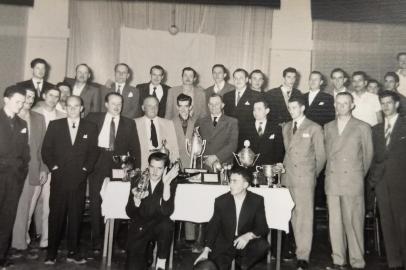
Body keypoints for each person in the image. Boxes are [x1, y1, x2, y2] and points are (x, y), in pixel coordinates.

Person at [41, 95, 99, 265]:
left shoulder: (90, 127)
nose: (73, 109)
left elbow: (94, 152)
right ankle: (51, 253)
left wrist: (85, 170)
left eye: (76, 106)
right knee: (56, 216)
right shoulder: (55, 126)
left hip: (79, 179)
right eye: (70, 106)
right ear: (65, 108)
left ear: (82, 108)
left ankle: (72, 252)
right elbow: (46, 150)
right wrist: (54, 167)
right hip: (59, 178)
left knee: (75, 216)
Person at [86, 92, 141, 253]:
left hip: (119, 167)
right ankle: (96, 239)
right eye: (113, 103)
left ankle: (112, 239)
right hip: (97, 163)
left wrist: (134, 169)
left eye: (119, 104)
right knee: (96, 202)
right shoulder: (92, 118)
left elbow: (135, 149)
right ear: (106, 104)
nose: (117, 107)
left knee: (117, 202)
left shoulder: (129, 123)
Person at [324, 92, 373, 270]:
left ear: (352, 105)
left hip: (352, 181)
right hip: (333, 181)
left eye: (345, 103)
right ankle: (338, 260)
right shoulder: (328, 127)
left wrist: (356, 175)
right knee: (335, 224)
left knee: (353, 223)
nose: (341, 106)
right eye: (338, 103)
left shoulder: (363, 127)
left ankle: (357, 261)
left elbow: (368, 157)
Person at [281, 96, 326, 270]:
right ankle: (296, 249)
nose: (291, 110)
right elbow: (287, 153)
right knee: (292, 216)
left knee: (305, 218)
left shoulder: (314, 128)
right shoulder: (285, 127)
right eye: (289, 108)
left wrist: (310, 174)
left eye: (294, 107)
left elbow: (321, 156)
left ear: (302, 108)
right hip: (288, 178)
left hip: (305, 179)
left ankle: (303, 256)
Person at [194, 166, 269, 270]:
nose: (230, 184)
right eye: (230, 181)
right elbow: (213, 226)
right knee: (206, 267)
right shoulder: (221, 201)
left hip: (245, 245)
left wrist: (248, 236)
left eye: (235, 181)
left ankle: (242, 266)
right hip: (224, 245)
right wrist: (206, 249)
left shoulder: (256, 200)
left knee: (262, 245)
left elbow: (263, 227)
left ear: (245, 185)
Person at [369, 90, 406, 270]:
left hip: (402, 183)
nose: (385, 106)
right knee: (387, 223)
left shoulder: (405, 125)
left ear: (397, 104)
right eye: (382, 103)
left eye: (389, 103)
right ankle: (394, 263)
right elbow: (374, 158)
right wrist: (373, 182)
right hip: (382, 184)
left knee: (403, 224)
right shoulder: (376, 130)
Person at [125, 152, 179, 270]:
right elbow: (129, 212)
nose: (154, 172)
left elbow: (167, 212)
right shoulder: (137, 180)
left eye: (159, 168)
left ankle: (160, 262)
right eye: (152, 167)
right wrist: (136, 200)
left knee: (167, 225)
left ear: (165, 169)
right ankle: (147, 253)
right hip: (140, 226)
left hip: (158, 226)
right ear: (148, 166)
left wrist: (166, 185)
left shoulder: (171, 183)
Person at [11, 87, 47, 259]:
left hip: (32, 168)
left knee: (26, 207)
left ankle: (19, 241)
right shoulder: (11, 116)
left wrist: (43, 168)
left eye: (33, 97)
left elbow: (42, 148)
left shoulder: (39, 118)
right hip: (11, 169)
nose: (30, 99)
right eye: (27, 96)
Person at [0, 86, 30, 268]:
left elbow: (25, 154)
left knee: (7, 219)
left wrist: (21, 172)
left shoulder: (22, 124)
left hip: (14, 180)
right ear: (6, 100)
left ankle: (1, 257)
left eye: (22, 102)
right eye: (17, 102)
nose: (21, 105)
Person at [195, 94, 238, 171]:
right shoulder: (200, 122)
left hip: (223, 165)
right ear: (208, 105)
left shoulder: (232, 122)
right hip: (204, 165)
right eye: (211, 104)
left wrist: (216, 157)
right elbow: (196, 144)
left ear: (222, 105)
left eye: (217, 104)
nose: (213, 106)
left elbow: (233, 145)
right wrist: (205, 159)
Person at [135, 96, 179, 169]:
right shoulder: (134, 124)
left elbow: (174, 148)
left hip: (162, 165)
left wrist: (173, 167)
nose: (153, 108)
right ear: (143, 108)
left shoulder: (168, 123)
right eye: (149, 106)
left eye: (156, 105)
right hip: (142, 165)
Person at [223, 68, 262, 148]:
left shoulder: (256, 96)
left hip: (248, 138)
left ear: (247, 79)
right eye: (236, 78)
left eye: (241, 78)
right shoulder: (227, 96)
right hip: (230, 137)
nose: (238, 80)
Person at [240, 98, 284, 165]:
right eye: (254, 109)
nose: (255, 112)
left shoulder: (276, 128)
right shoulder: (245, 127)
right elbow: (240, 149)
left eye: (259, 109)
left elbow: (279, 151)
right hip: (250, 169)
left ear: (267, 111)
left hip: (268, 168)